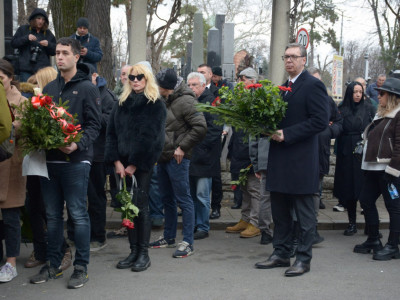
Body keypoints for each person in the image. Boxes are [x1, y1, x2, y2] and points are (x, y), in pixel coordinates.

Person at [29, 37, 101, 289]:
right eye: (57, 53)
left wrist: (77, 144)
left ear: (76, 57)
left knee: (78, 215)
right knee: (52, 215)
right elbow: (42, 124)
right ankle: (53, 265)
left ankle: (81, 267)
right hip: (51, 161)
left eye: (64, 53)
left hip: (76, 162)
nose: (59, 57)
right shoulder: (49, 89)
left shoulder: (88, 88)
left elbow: (95, 125)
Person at [255, 43, 328, 277]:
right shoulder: (282, 88)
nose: (289, 61)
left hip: (301, 162)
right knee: (281, 213)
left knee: (305, 216)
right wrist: (260, 126)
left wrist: (287, 134)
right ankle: (281, 253)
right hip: (280, 161)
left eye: (294, 57)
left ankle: (303, 259)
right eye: (285, 56)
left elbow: (319, 121)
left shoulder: (313, 85)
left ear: (303, 60)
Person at [105, 63, 166, 271]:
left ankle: (143, 253)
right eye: (132, 77)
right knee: (126, 207)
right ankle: (132, 251)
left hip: (141, 165)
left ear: (147, 78)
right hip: (121, 165)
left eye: (140, 76)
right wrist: (117, 161)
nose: (136, 80)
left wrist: (133, 164)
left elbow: (153, 140)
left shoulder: (155, 103)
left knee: (140, 207)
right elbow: (111, 133)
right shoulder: (121, 102)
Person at [149, 68, 206, 258]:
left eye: (158, 86)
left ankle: (188, 242)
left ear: (167, 88)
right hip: (163, 157)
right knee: (167, 199)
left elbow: (200, 126)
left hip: (178, 158)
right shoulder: (164, 99)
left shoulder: (187, 101)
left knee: (184, 200)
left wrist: (182, 147)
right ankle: (169, 236)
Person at [24, 66, 73, 271]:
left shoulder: (53, 107)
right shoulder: (34, 105)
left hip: (50, 163)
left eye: (37, 84)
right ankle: (41, 249)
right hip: (34, 162)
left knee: (48, 211)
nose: (33, 88)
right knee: (33, 208)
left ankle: (62, 250)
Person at [354, 77, 400, 260]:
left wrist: (393, 170)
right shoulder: (382, 113)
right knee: (365, 200)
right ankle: (373, 239)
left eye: (382, 93)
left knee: (394, 207)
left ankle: (393, 245)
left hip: (388, 169)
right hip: (374, 168)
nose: (377, 96)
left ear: (392, 96)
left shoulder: (398, 114)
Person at [225, 68, 265, 239]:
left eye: (243, 79)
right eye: (239, 79)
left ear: (253, 80)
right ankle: (245, 218)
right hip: (239, 149)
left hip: (251, 150)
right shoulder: (240, 99)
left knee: (254, 189)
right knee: (244, 188)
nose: (240, 82)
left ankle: (255, 223)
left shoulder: (260, 100)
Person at [333, 82, 376, 236]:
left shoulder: (369, 107)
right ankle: (352, 222)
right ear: (349, 93)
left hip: (364, 149)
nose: (358, 95)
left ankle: (371, 224)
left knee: (366, 187)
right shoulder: (342, 109)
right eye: (355, 92)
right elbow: (337, 128)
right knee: (349, 188)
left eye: (360, 91)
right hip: (346, 150)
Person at [0, 59, 27, 283]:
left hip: (11, 165)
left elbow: (19, 129)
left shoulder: (22, 102)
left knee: (10, 216)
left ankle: (11, 262)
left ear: (10, 78)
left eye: (1, 78)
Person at [308, 67, 343, 242]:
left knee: (315, 192)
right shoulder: (301, 97)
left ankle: (311, 230)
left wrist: (329, 131)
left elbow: (339, 122)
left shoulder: (328, 101)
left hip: (320, 152)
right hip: (302, 154)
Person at [187, 72, 222, 240]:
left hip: (205, 157)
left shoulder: (212, 101)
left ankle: (203, 226)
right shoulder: (189, 102)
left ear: (202, 85)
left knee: (202, 194)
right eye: (189, 85)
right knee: (192, 194)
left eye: (194, 85)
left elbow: (214, 131)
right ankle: (194, 224)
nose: (191, 88)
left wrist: (196, 146)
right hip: (191, 155)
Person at [87, 66, 116, 251]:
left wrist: (91, 113)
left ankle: (98, 236)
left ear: (95, 76)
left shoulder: (106, 96)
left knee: (96, 196)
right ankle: (76, 233)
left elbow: (110, 122)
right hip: (80, 151)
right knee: (80, 198)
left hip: (97, 154)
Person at [197, 64, 223, 219]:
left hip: (211, 143)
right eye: (198, 72)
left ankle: (216, 206)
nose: (201, 74)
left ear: (210, 74)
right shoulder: (193, 93)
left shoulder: (217, 92)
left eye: (203, 72)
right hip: (197, 147)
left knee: (215, 176)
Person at [11, 8, 56, 82]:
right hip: (26, 69)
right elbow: (13, 43)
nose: (41, 21)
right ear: (33, 19)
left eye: (43, 19)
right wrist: (26, 38)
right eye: (38, 18)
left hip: (43, 71)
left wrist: (48, 44)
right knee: (26, 92)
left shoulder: (48, 33)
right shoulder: (23, 29)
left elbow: (54, 51)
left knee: (43, 92)